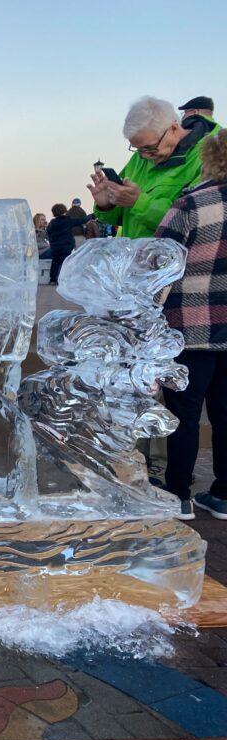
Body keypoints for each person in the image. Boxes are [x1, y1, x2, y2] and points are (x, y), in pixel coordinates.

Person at [153, 131, 227, 521]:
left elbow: (157, 263)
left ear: (210, 159)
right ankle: (223, 495)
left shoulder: (193, 203)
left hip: (190, 327)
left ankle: (178, 493)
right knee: (225, 413)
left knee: (182, 412)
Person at [88, 96, 220, 238]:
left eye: (149, 148)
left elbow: (196, 221)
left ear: (174, 128)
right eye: (137, 149)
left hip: (180, 259)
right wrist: (108, 206)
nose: (144, 156)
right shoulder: (141, 156)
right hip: (138, 256)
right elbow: (124, 219)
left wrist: (138, 203)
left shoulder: (212, 157)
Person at [45, 204, 75, 284]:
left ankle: (53, 279)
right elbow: (81, 221)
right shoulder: (67, 220)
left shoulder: (52, 222)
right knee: (64, 262)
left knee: (55, 262)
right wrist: (91, 216)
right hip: (66, 245)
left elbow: (48, 232)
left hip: (55, 246)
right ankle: (62, 279)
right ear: (64, 210)